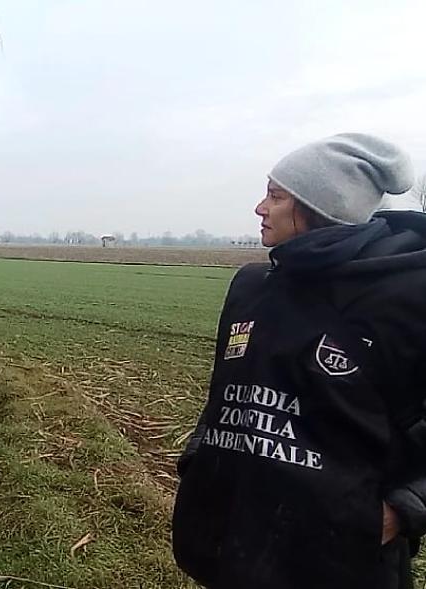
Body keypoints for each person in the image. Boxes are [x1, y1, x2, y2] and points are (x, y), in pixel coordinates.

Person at [172, 133, 426, 589]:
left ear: (321, 207)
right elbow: (226, 392)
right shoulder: (252, 286)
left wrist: (405, 507)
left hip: (339, 562)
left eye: (275, 196)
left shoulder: (408, 295)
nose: (259, 209)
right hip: (230, 542)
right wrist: (200, 459)